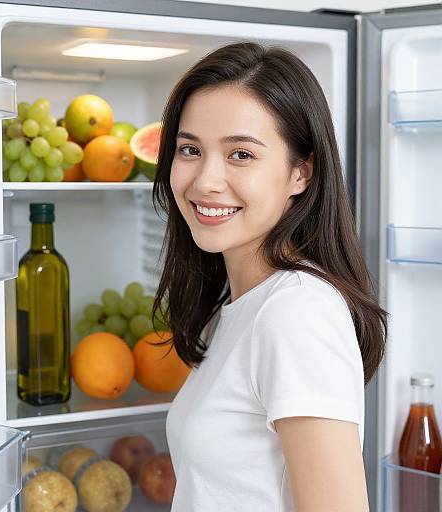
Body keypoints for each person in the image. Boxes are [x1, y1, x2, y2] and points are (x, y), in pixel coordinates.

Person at [151, 42, 388, 512]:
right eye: (190, 149)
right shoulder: (242, 303)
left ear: (301, 173)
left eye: (241, 154)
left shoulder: (297, 313)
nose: (205, 181)